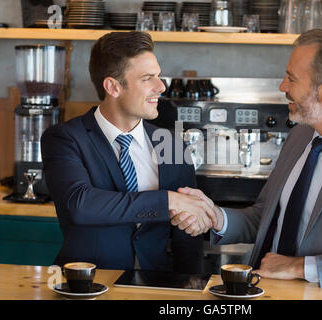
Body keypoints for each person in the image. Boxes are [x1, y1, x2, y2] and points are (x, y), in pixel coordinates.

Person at [170, 29, 322, 288]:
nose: (282, 87)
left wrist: (299, 267)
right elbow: (264, 218)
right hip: (260, 290)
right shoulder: (300, 136)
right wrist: (216, 217)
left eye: (292, 79)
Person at [41, 31, 216, 272]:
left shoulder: (172, 145)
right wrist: (168, 200)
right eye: (147, 79)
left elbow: (186, 239)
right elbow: (80, 204)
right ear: (112, 87)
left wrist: (187, 288)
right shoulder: (65, 139)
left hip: (154, 289)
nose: (161, 86)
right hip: (87, 287)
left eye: (158, 76)